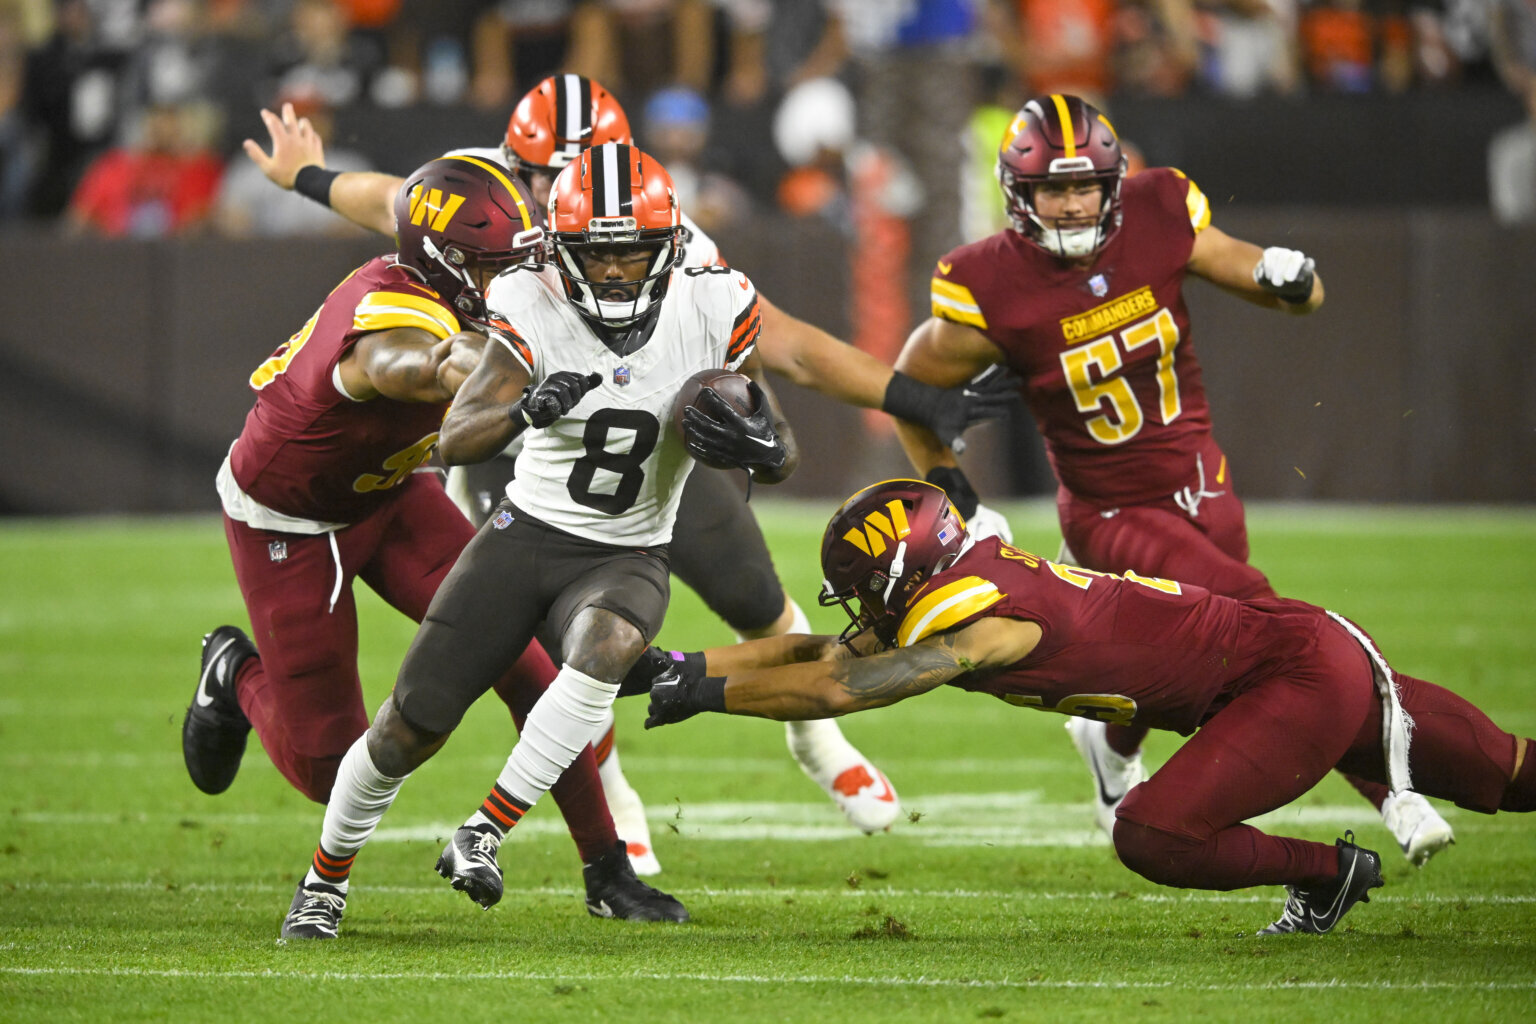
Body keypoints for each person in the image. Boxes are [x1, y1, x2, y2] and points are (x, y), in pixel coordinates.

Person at [240, 74, 1016, 873]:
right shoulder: (486, 202)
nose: (550, 189)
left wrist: (904, 394)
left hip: (654, 431)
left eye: (573, 168)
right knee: (553, 638)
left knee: (749, 589)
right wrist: (306, 175)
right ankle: (609, 793)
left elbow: (782, 343)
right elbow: (392, 203)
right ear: (512, 163)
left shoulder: (655, 227)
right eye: (537, 171)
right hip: (528, 435)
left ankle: (816, 736)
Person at [889, 93, 1455, 865]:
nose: (1073, 202)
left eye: (1086, 184)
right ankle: (1392, 789)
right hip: (1110, 508)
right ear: (1019, 198)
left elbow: (1294, 295)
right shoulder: (987, 281)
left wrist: (1290, 278)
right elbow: (907, 393)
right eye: (1053, 189)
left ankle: (1107, 739)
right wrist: (947, 480)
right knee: (1274, 631)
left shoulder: (1160, 211)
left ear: (1116, 181)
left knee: (1175, 663)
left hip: (1203, 480)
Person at [631, 479, 1535, 935]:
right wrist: (675, 660)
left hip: (1291, 681)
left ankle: (1323, 872)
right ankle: (1329, 872)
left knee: (1151, 832)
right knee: (1511, 772)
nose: (861, 606)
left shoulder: (987, 622)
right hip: (1300, 652)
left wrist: (709, 696)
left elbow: (843, 685)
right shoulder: (966, 579)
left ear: (907, 575)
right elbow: (825, 652)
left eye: (868, 586)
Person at [278, 143, 792, 939]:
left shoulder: (719, 303)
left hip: (630, 548)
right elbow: (454, 439)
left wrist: (757, 444)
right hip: (525, 538)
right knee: (409, 725)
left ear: (670, 245)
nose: (617, 270)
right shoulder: (527, 296)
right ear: (563, 249)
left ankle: (484, 830)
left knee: (609, 641)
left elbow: (781, 444)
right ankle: (323, 882)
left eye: (633, 249)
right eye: (599, 251)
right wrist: (523, 410)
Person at [185, 155, 680, 932]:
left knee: (533, 669)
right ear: (451, 264)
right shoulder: (397, 314)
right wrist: (503, 375)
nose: (515, 276)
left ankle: (607, 871)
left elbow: (385, 196)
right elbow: (421, 361)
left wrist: (309, 172)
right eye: (494, 265)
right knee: (329, 767)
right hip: (291, 518)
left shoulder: (455, 257)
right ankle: (235, 671)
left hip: (393, 490)